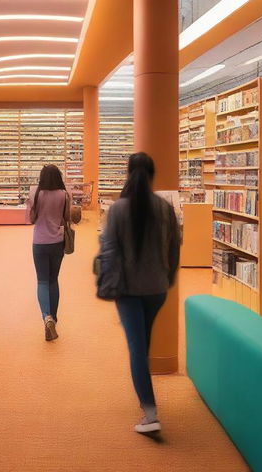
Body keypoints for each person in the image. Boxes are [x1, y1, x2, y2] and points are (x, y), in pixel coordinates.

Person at [99, 152, 180, 434]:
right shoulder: (164, 207)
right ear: (153, 173)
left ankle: (150, 413)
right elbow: (174, 247)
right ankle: (146, 402)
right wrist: (167, 278)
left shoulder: (119, 209)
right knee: (142, 344)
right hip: (157, 287)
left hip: (128, 288)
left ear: (128, 173)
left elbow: (108, 251)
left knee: (136, 348)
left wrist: (106, 284)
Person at [25, 165, 70, 341]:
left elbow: (30, 219)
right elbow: (67, 217)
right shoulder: (64, 194)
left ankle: (46, 317)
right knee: (53, 280)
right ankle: (54, 318)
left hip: (39, 241)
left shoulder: (35, 192)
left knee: (42, 280)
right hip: (57, 241)